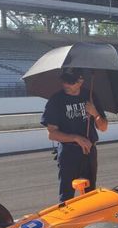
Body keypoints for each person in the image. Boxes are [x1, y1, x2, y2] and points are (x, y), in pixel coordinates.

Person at [41, 67, 108, 202]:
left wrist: (95, 113)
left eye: (70, 82)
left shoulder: (90, 96)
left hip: (89, 151)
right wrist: (76, 138)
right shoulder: (56, 100)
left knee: (90, 194)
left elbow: (103, 127)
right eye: (64, 81)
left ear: (80, 81)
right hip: (69, 152)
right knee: (67, 196)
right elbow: (52, 134)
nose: (66, 85)